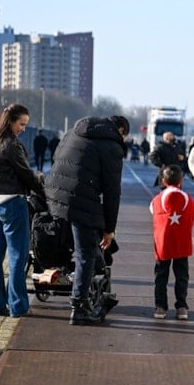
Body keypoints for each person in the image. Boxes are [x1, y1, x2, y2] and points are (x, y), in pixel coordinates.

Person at [45, 115, 129, 325]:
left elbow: (56, 157)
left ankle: (70, 282)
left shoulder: (72, 132)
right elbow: (112, 193)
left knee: (69, 244)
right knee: (86, 253)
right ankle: (79, 306)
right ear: (120, 131)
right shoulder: (112, 146)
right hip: (81, 200)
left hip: (54, 195)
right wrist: (109, 230)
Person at [0, 103, 45, 318]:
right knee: (18, 256)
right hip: (12, 203)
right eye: (21, 124)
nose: (23, 128)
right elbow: (26, 174)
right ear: (11, 121)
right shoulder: (10, 144)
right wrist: (44, 192)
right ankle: (18, 305)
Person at [150, 165, 194, 320]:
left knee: (161, 275)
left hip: (163, 243)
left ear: (163, 181)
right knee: (182, 275)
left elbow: (152, 211)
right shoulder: (188, 199)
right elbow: (192, 216)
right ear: (181, 181)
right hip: (182, 242)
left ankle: (160, 306)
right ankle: (181, 306)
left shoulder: (158, 199)